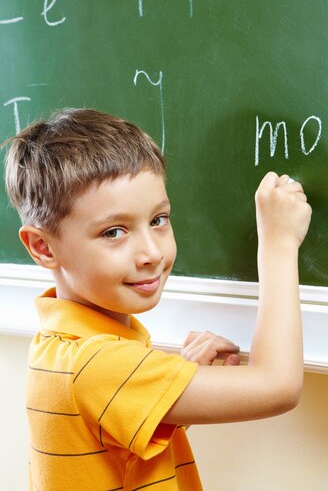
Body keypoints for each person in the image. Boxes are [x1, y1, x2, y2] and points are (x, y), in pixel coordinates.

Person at [3, 107, 312, 490]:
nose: (151, 251)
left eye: (158, 220)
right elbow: (277, 386)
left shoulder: (64, 350)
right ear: (43, 247)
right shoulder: (97, 365)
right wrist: (279, 243)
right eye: (113, 232)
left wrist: (173, 378)